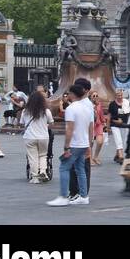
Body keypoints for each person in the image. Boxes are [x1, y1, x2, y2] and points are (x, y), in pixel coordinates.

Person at [47, 78, 94, 206]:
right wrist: (90, 144)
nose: (67, 95)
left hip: (74, 144)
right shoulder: (88, 108)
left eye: (68, 93)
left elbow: (69, 129)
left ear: (73, 94)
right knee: (80, 169)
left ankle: (63, 196)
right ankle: (84, 196)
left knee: (64, 168)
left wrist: (66, 146)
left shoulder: (71, 108)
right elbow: (91, 128)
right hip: (84, 143)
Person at [21, 88, 53, 184]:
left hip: (30, 136)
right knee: (43, 155)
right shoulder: (46, 111)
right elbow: (51, 123)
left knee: (33, 157)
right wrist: (45, 126)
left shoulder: (25, 111)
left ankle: (35, 176)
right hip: (43, 136)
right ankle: (43, 172)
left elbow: (22, 123)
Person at [108, 89, 128, 164]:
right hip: (114, 124)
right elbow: (109, 116)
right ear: (115, 95)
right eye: (118, 95)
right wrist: (108, 126)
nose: (119, 97)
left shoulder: (126, 103)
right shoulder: (112, 104)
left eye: (121, 95)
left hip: (124, 125)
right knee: (118, 139)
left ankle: (117, 155)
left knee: (122, 141)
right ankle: (121, 156)